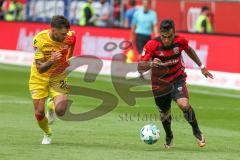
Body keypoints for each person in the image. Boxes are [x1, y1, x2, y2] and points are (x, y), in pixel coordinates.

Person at [138, 19, 213, 148]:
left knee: (184, 104)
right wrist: (151, 64)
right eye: (164, 37)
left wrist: (202, 66)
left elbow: (189, 50)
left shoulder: (180, 41)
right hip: (159, 84)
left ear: (174, 33)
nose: (166, 40)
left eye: (169, 37)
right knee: (164, 114)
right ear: (160, 34)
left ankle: (197, 131)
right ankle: (169, 135)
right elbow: (140, 66)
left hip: (177, 78)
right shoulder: (151, 45)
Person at [29, 15, 76, 144]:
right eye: (62, 34)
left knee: (61, 111)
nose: (64, 37)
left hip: (58, 75)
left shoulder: (69, 36)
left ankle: (52, 104)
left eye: (66, 33)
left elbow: (73, 39)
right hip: (39, 77)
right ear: (53, 30)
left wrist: (69, 58)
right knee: (39, 113)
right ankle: (47, 133)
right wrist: (51, 60)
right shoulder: (39, 40)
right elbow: (40, 69)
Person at [131, 0, 158, 78]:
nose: (145, 5)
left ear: (149, 4)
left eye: (147, 4)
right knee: (140, 55)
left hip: (148, 37)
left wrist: (156, 34)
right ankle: (140, 72)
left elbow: (155, 25)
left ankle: (145, 70)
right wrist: (132, 37)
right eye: (144, 3)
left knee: (148, 55)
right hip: (139, 36)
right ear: (142, 4)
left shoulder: (153, 14)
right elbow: (133, 26)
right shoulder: (137, 13)